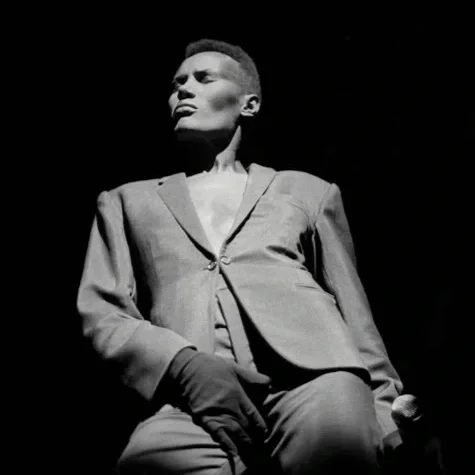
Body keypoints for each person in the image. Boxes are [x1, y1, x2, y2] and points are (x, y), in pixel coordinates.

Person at [77, 38, 404, 474]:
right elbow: (102, 311)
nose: (183, 89)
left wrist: (385, 412)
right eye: (176, 84)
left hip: (316, 381)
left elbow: (355, 314)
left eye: (203, 78)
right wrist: (183, 366)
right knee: (147, 463)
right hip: (192, 397)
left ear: (249, 104)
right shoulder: (127, 201)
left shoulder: (307, 190)